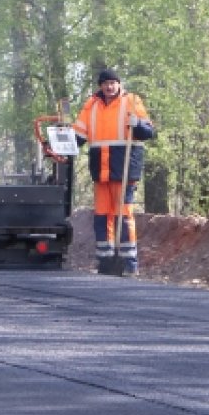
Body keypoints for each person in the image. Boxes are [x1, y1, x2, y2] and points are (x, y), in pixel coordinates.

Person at [72, 69, 156, 277]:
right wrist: (59, 145)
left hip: (124, 168)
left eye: (113, 83)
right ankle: (106, 259)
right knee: (101, 215)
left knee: (123, 215)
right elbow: (78, 136)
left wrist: (138, 126)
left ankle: (130, 263)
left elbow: (148, 132)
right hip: (100, 169)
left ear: (119, 84)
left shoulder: (131, 102)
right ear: (100, 86)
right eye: (105, 83)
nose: (109, 87)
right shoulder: (91, 105)